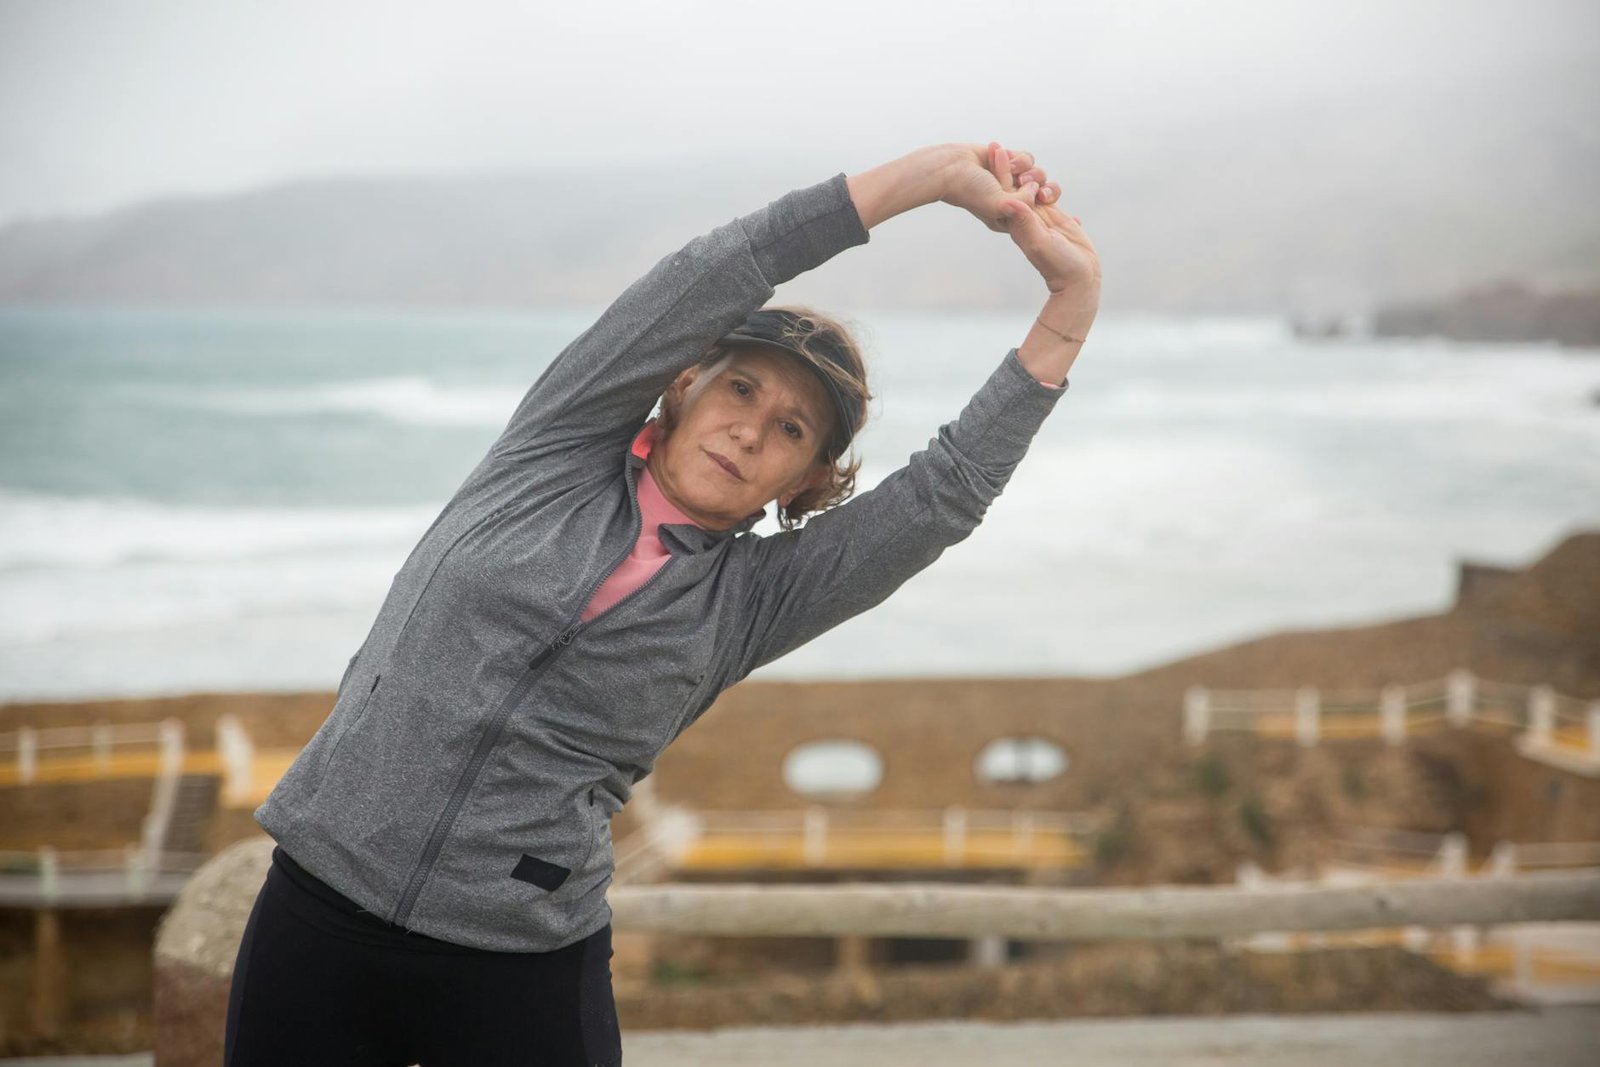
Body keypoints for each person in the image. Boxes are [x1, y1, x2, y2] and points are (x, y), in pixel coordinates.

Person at [223, 140, 1101, 1066]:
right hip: (320, 905)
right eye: (742, 387)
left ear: (804, 481)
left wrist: (1070, 304)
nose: (750, 428)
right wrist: (927, 182)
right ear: (683, 382)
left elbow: (945, 494)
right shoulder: (553, 449)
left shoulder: (754, 599)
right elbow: (723, 268)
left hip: (518, 959)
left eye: (791, 429)